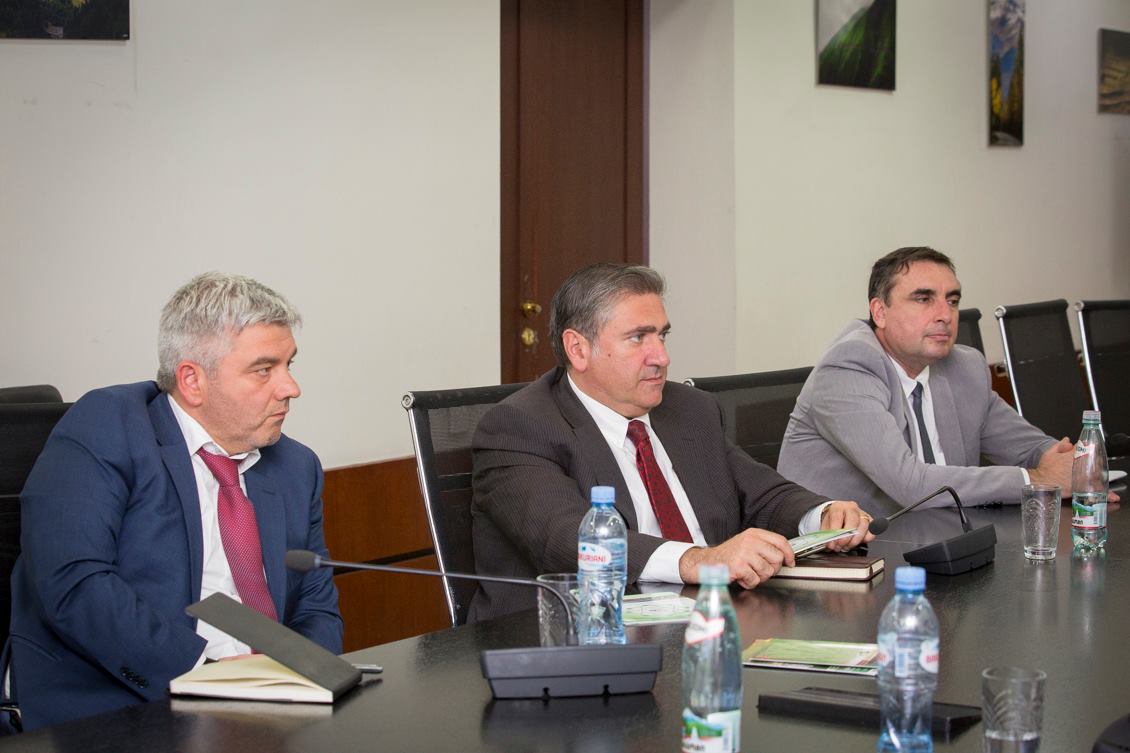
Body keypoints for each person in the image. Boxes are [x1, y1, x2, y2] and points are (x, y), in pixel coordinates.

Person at [6, 272, 342, 731]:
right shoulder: (107, 428)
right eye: (264, 370)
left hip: (268, 712)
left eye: (289, 365)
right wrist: (208, 678)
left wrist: (308, 679)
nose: (290, 387)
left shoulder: (295, 466)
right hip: (123, 703)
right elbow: (76, 584)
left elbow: (316, 607)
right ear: (192, 380)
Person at [469, 263, 873, 621]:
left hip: (707, 618)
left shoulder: (689, 409)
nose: (661, 357)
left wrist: (822, 515)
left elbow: (761, 493)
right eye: (638, 338)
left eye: (662, 336)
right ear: (578, 349)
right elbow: (566, 539)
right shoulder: (521, 426)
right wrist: (700, 560)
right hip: (573, 634)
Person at [777, 246, 1113, 517]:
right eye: (923, 299)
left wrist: (1072, 469)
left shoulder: (963, 366)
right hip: (845, 557)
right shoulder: (848, 368)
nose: (945, 314)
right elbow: (911, 485)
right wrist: (1038, 479)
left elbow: (1026, 448)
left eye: (952, 300)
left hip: (940, 538)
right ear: (879, 312)